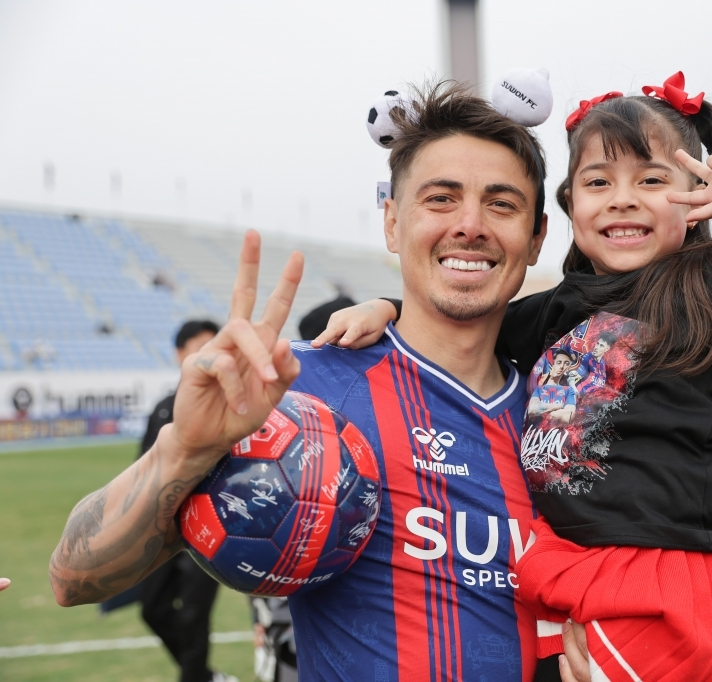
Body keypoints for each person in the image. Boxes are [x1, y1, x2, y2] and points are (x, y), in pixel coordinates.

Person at [324, 71, 712, 681]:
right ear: (570, 206)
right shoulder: (555, 311)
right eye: (599, 182)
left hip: (664, 575)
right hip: (573, 570)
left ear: (699, 197)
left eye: (652, 180)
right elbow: (461, 323)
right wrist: (389, 308)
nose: (623, 198)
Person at [50, 82, 551, 681]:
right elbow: (74, 578)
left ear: (537, 237)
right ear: (392, 222)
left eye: (502, 204)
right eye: (440, 199)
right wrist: (183, 450)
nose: (470, 225)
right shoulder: (291, 392)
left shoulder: (566, 417)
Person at [133, 320, 234, 682]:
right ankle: (206, 677)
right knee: (153, 609)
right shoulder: (164, 407)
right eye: (199, 347)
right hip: (161, 530)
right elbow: (141, 467)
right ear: (179, 355)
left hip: (206, 528)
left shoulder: (231, 405)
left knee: (194, 617)